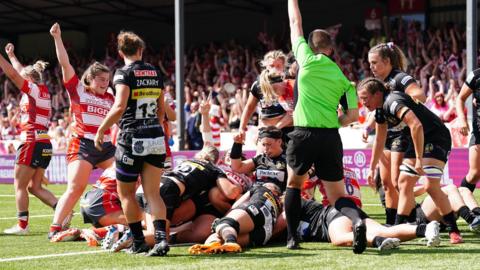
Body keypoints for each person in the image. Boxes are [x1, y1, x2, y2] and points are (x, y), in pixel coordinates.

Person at [285, 0, 362, 253]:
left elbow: (295, 22)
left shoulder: (306, 60)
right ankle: (358, 220)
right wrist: (333, 122)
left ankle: (292, 238)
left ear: (311, 46)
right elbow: (352, 116)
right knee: (338, 195)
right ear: (331, 49)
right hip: (330, 137)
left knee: (294, 185)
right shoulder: (344, 79)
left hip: (304, 133)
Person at [357, 77, 463, 244]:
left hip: (436, 137)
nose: (363, 103)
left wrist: (420, 160)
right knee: (403, 182)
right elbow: (379, 139)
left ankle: (453, 230)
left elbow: (416, 126)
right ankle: (398, 229)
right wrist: (371, 168)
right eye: (360, 99)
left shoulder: (392, 101)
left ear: (377, 94)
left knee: (430, 185)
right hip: (418, 140)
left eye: (365, 98)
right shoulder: (379, 110)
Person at [94, 31, 168, 256]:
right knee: (153, 194)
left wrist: (101, 129)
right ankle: (161, 240)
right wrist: (155, 127)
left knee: (125, 193)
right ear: (141, 50)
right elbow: (161, 108)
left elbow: (119, 106)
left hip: (131, 137)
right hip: (155, 134)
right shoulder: (155, 72)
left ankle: (138, 241)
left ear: (120, 52)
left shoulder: (123, 73)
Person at [49, 23, 115, 238]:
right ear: (90, 78)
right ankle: (56, 228)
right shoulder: (78, 90)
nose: (106, 83)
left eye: (108, 80)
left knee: (127, 179)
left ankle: (122, 220)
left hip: (105, 147)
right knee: (76, 187)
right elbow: (65, 63)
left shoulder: (111, 98)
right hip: (82, 144)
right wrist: (57, 38)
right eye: (101, 79)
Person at [1, 43, 58, 235]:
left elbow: (14, 75)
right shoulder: (41, 91)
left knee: (20, 185)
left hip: (31, 141)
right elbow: (18, 71)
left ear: (30, 79)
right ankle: (62, 211)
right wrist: (12, 55)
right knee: (34, 186)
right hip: (43, 142)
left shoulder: (32, 90)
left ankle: (22, 226)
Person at [368, 42, 425, 225]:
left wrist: (405, 103)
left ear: (387, 61)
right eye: (370, 63)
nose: (371, 67)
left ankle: (412, 219)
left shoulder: (400, 78)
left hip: (403, 135)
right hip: (386, 134)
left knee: (396, 181)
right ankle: (392, 222)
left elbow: (420, 95)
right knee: (386, 183)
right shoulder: (377, 84)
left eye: (375, 63)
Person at [295, 198, 441, 250]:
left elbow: (280, 225)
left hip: (332, 217)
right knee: (383, 230)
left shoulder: (287, 207)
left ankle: (378, 242)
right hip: (346, 213)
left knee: (339, 238)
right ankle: (424, 229)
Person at [188, 182, 283, 254]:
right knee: (223, 235)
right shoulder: (280, 205)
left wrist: (225, 218)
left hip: (257, 210)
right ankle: (212, 246)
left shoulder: (260, 188)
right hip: (265, 232)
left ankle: (229, 242)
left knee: (224, 224)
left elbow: (237, 204)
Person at [239, 50, 292, 140]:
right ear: (266, 66)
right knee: (261, 153)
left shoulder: (290, 85)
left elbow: (292, 113)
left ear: (284, 66)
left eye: (278, 66)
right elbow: (249, 107)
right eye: (271, 66)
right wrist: (241, 128)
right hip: (265, 131)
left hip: (287, 130)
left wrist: (275, 129)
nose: (274, 69)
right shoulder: (258, 85)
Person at [230, 126, 287, 192]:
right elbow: (237, 167)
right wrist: (237, 144)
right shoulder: (260, 158)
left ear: (279, 141)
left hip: (276, 197)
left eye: (269, 144)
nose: (265, 148)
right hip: (256, 194)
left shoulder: (288, 159)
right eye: (263, 145)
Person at [456, 68, 480, 194]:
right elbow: (460, 99)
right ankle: (460, 204)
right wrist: (462, 119)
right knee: (475, 174)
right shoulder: (475, 76)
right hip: (479, 129)